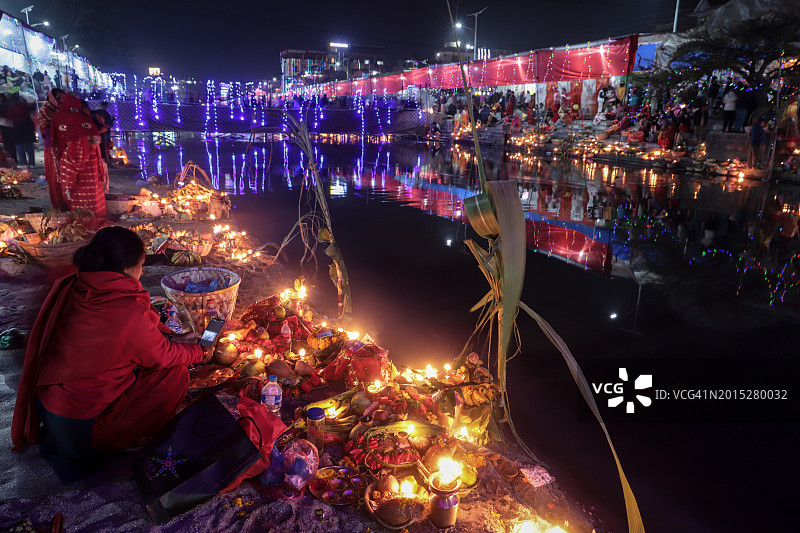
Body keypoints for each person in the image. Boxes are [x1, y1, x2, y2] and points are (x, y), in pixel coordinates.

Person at [11, 227, 211, 464]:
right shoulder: (125, 309)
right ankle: (115, 440)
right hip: (80, 431)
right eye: (141, 264)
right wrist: (200, 352)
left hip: (51, 412)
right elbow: (160, 356)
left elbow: (124, 341)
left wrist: (172, 341)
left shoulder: (78, 285)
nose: (142, 271)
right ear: (126, 268)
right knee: (173, 375)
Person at [51, 93, 108, 219]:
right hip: (90, 159)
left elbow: (56, 137)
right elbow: (95, 138)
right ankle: (93, 218)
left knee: (76, 191)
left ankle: (80, 219)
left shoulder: (58, 116)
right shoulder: (82, 119)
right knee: (90, 190)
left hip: (68, 157)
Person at [37, 89, 68, 210]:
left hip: (65, 146)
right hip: (52, 147)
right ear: (52, 98)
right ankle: (60, 204)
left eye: (62, 98)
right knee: (56, 177)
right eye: (58, 98)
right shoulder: (45, 110)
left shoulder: (65, 110)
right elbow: (45, 129)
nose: (60, 101)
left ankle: (69, 202)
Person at [7, 93, 36, 167]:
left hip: (17, 128)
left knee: (19, 146)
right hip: (27, 128)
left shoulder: (11, 108)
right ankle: (31, 163)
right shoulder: (24, 105)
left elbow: (9, 118)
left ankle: (23, 163)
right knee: (29, 146)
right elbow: (32, 108)